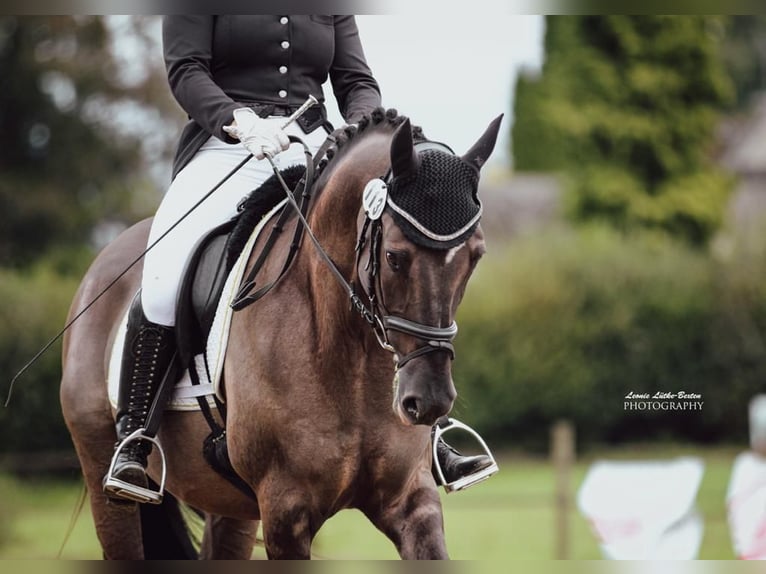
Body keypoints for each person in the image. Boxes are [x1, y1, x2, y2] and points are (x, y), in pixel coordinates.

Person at [104, 15, 493, 503]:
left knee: (390, 256)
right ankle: (135, 436)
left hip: (316, 149)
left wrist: (363, 132)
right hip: (226, 147)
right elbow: (185, 70)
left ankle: (428, 436)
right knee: (164, 274)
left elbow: (356, 80)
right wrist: (237, 121)